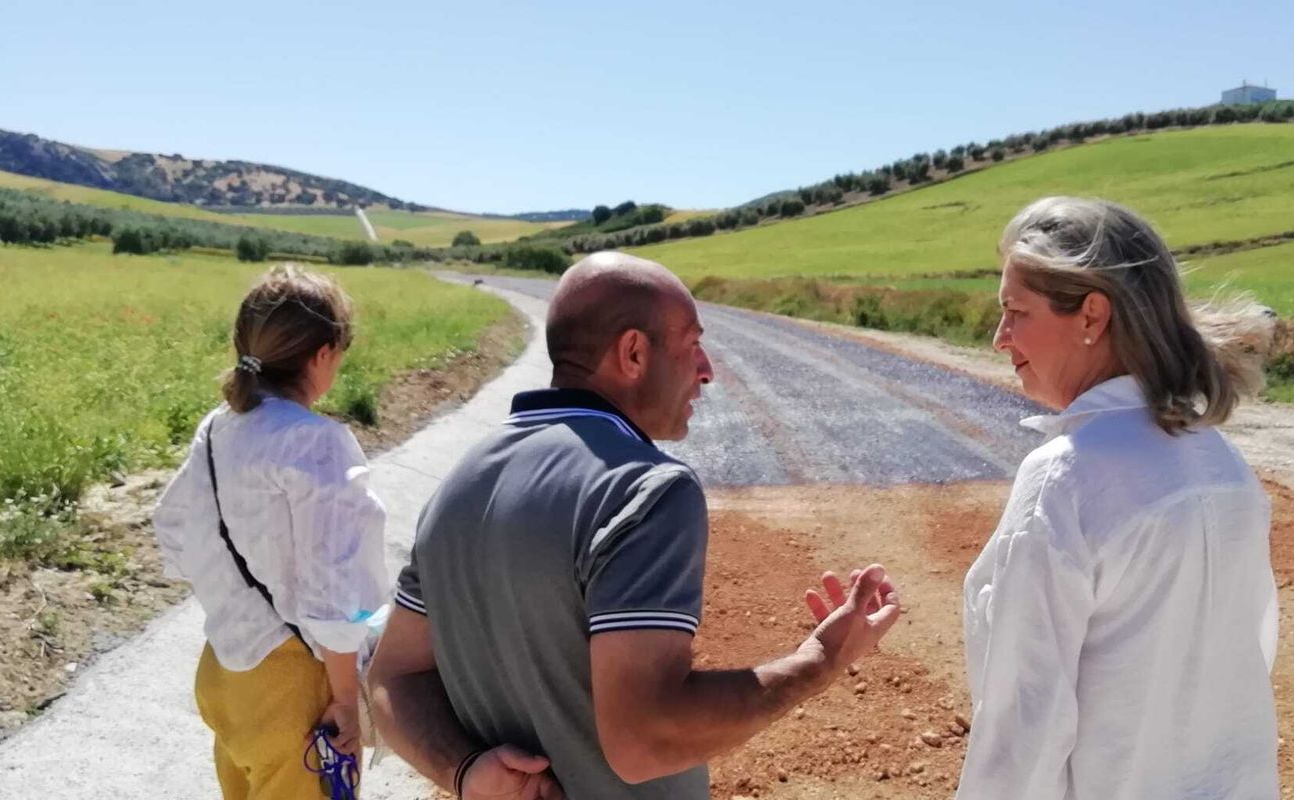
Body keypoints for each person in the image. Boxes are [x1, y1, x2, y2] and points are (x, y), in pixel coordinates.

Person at [367, 251, 902, 800]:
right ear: (633, 353)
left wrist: (465, 770)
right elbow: (642, 739)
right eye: (692, 343)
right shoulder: (646, 487)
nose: (707, 369)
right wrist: (820, 660)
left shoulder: (457, 485)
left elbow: (393, 678)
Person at [959, 197, 1280, 799]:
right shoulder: (1222, 464)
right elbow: (1250, 656)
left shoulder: (1066, 478)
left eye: (1014, 311)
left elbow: (1026, 721)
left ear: (1091, 316)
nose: (1000, 338)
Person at [153, 264, 388, 799]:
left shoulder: (217, 427)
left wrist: (230, 597)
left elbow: (171, 524)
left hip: (223, 671)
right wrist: (347, 703)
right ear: (324, 353)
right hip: (292, 690)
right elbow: (335, 591)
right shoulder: (315, 442)